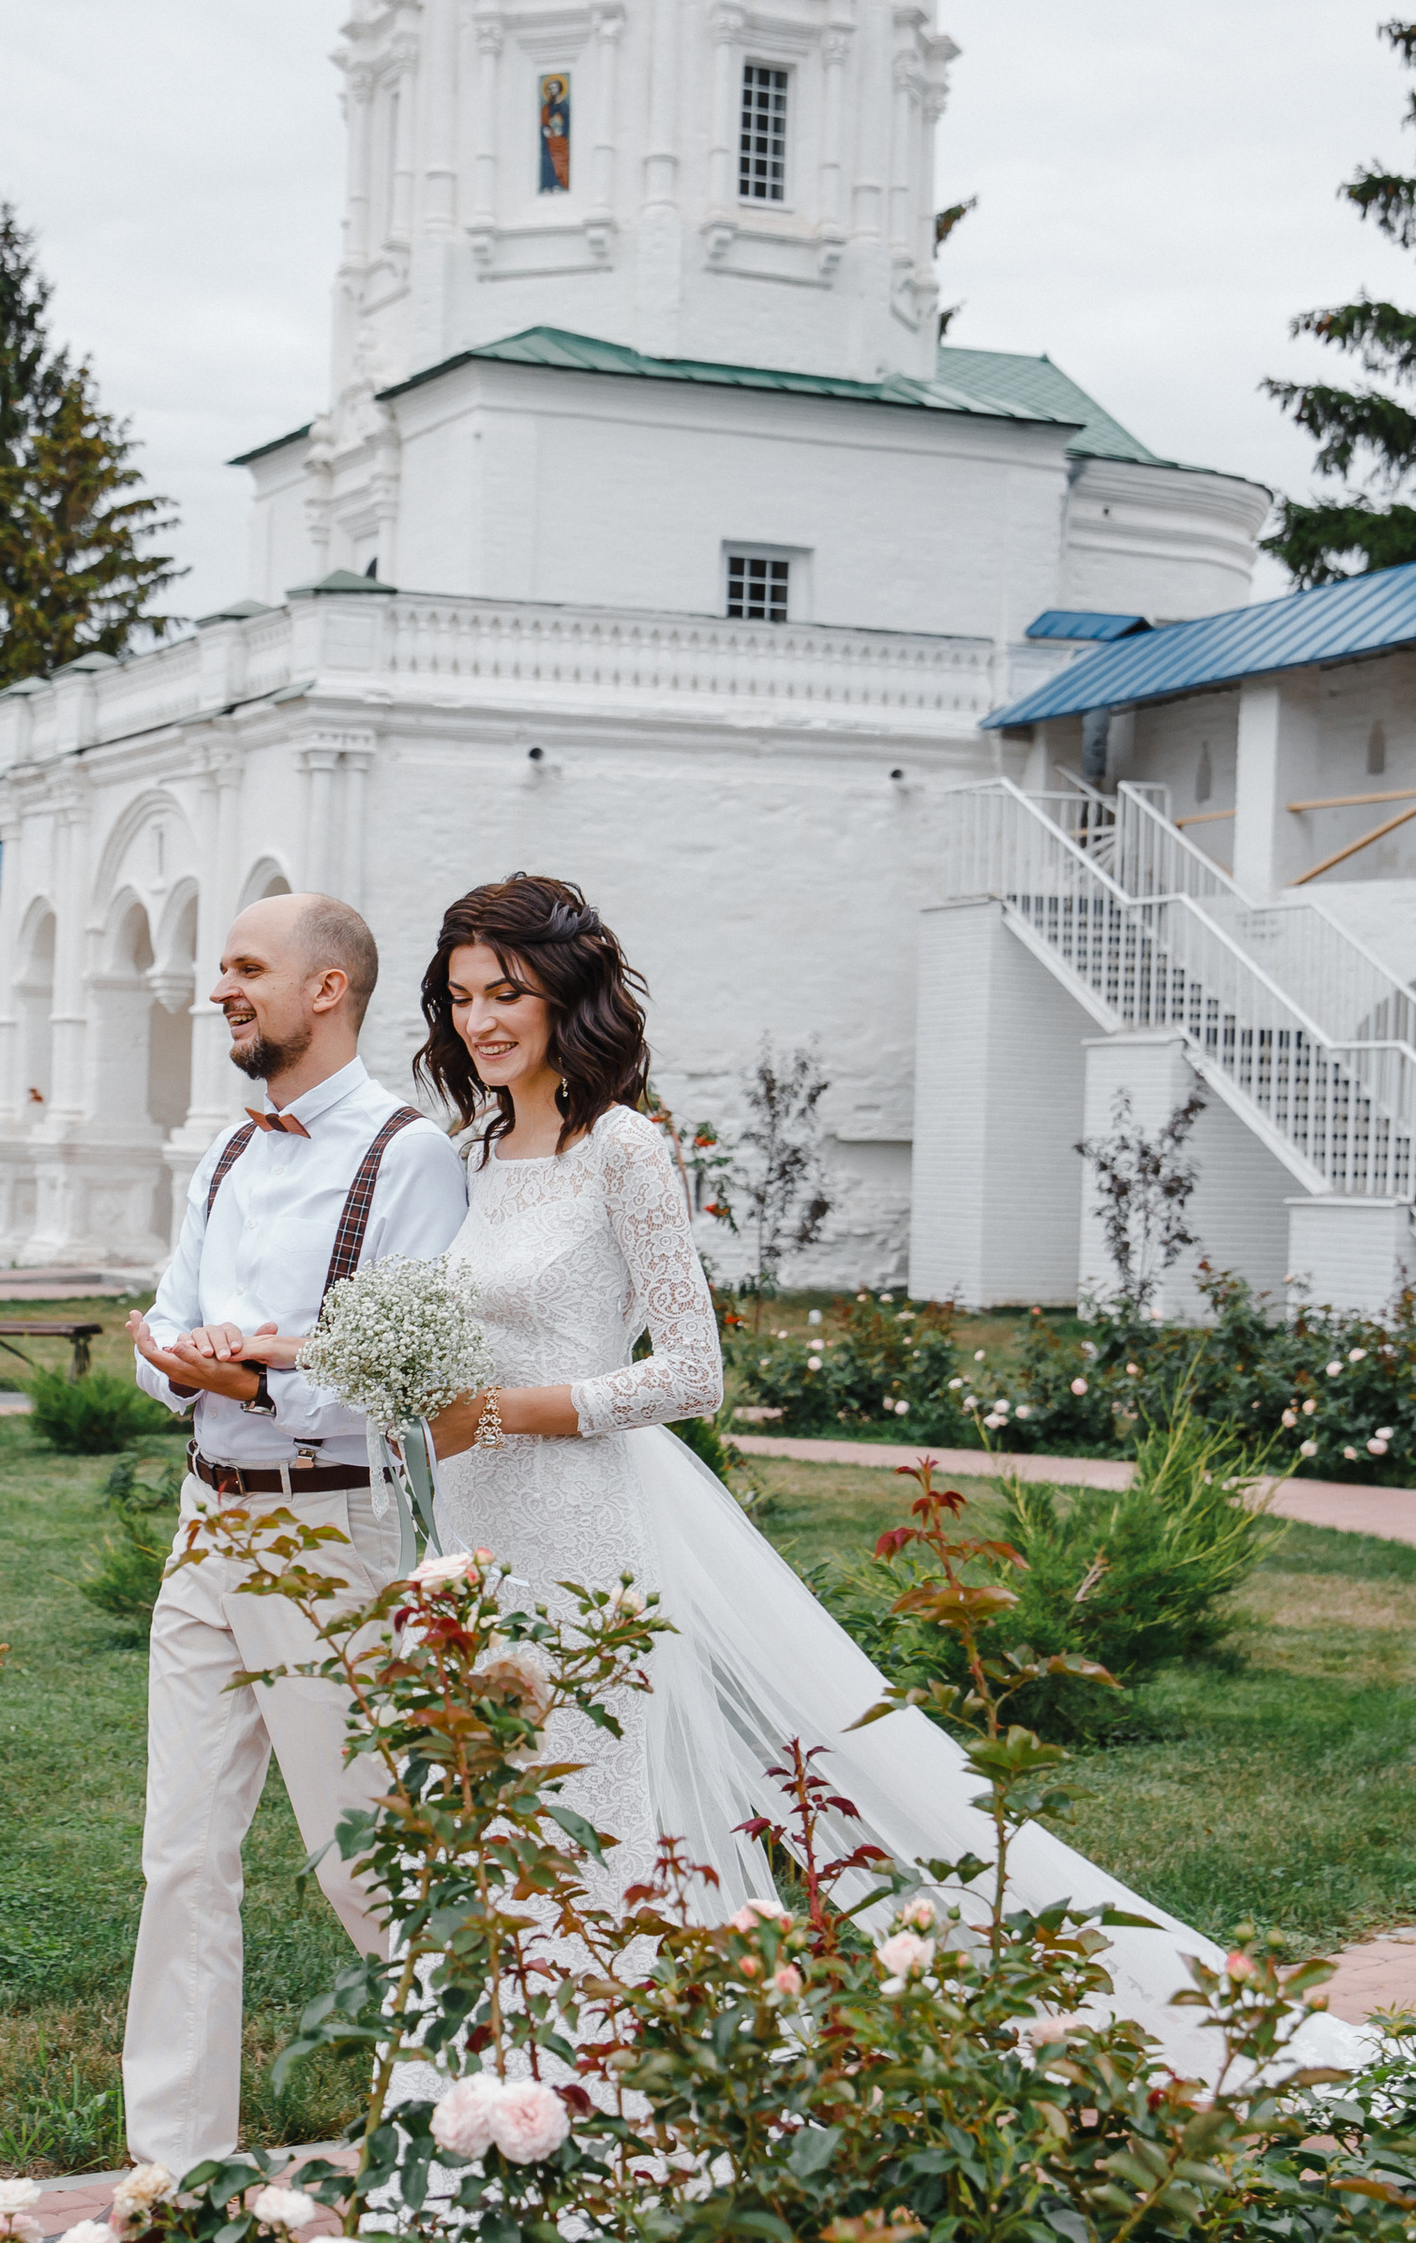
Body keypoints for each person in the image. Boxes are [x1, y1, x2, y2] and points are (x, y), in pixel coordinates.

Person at [412, 872, 1259, 2069]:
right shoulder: (476, 1147)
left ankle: (616, 2087)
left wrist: (505, 1410)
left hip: (582, 1519)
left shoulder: (627, 1150)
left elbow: (691, 1376)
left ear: (567, 990)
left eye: (505, 991)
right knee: (491, 1798)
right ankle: (501, 2082)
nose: (479, 1021)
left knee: (591, 1799)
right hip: (472, 1525)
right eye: (458, 998)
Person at [123, 889, 469, 2172]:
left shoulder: (408, 1156)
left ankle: (462, 2133)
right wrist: (187, 1362)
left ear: (328, 989)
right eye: (222, 967)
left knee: (361, 1862)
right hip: (204, 1525)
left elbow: (414, 1374)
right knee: (182, 1862)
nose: (223, 989)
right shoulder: (224, 1151)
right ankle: (174, 2170)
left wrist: (264, 1381)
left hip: (335, 1539)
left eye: (248, 969)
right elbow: (161, 1332)